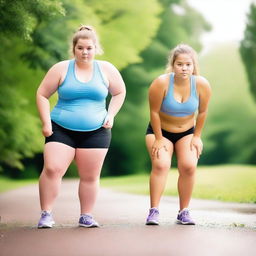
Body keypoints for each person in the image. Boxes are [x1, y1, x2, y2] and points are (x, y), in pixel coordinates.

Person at [36, 25, 126, 228]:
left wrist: (111, 114)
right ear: (74, 48)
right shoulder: (61, 69)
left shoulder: (106, 69)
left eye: (89, 48)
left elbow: (120, 92)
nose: (85, 52)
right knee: (52, 168)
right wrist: (45, 122)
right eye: (80, 48)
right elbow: (42, 94)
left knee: (90, 176)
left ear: (96, 48)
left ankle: (86, 215)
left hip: (97, 131)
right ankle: (46, 213)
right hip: (60, 128)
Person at [145, 44, 211, 225]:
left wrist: (197, 136)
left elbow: (203, 112)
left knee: (189, 166)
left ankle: (184, 211)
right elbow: (154, 112)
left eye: (188, 64)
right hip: (160, 132)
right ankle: (154, 211)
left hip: (187, 133)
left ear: (193, 66)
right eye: (180, 64)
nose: (184, 68)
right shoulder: (161, 83)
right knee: (161, 164)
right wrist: (158, 138)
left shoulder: (201, 84)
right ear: (173, 65)